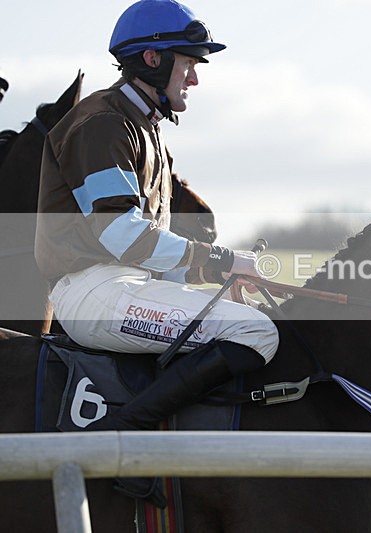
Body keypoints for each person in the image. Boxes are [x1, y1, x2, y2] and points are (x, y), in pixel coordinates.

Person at [36, 0, 278, 434]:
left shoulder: (144, 127)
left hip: (125, 287)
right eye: (189, 63)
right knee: (257, 333)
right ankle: (125, 436)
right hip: (95, 293)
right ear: (153, 59)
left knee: (253, 317)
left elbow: (148, 253)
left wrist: (213, 286)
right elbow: (119, 234)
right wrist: (221, 259)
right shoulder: (104, 123)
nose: (196, 78)